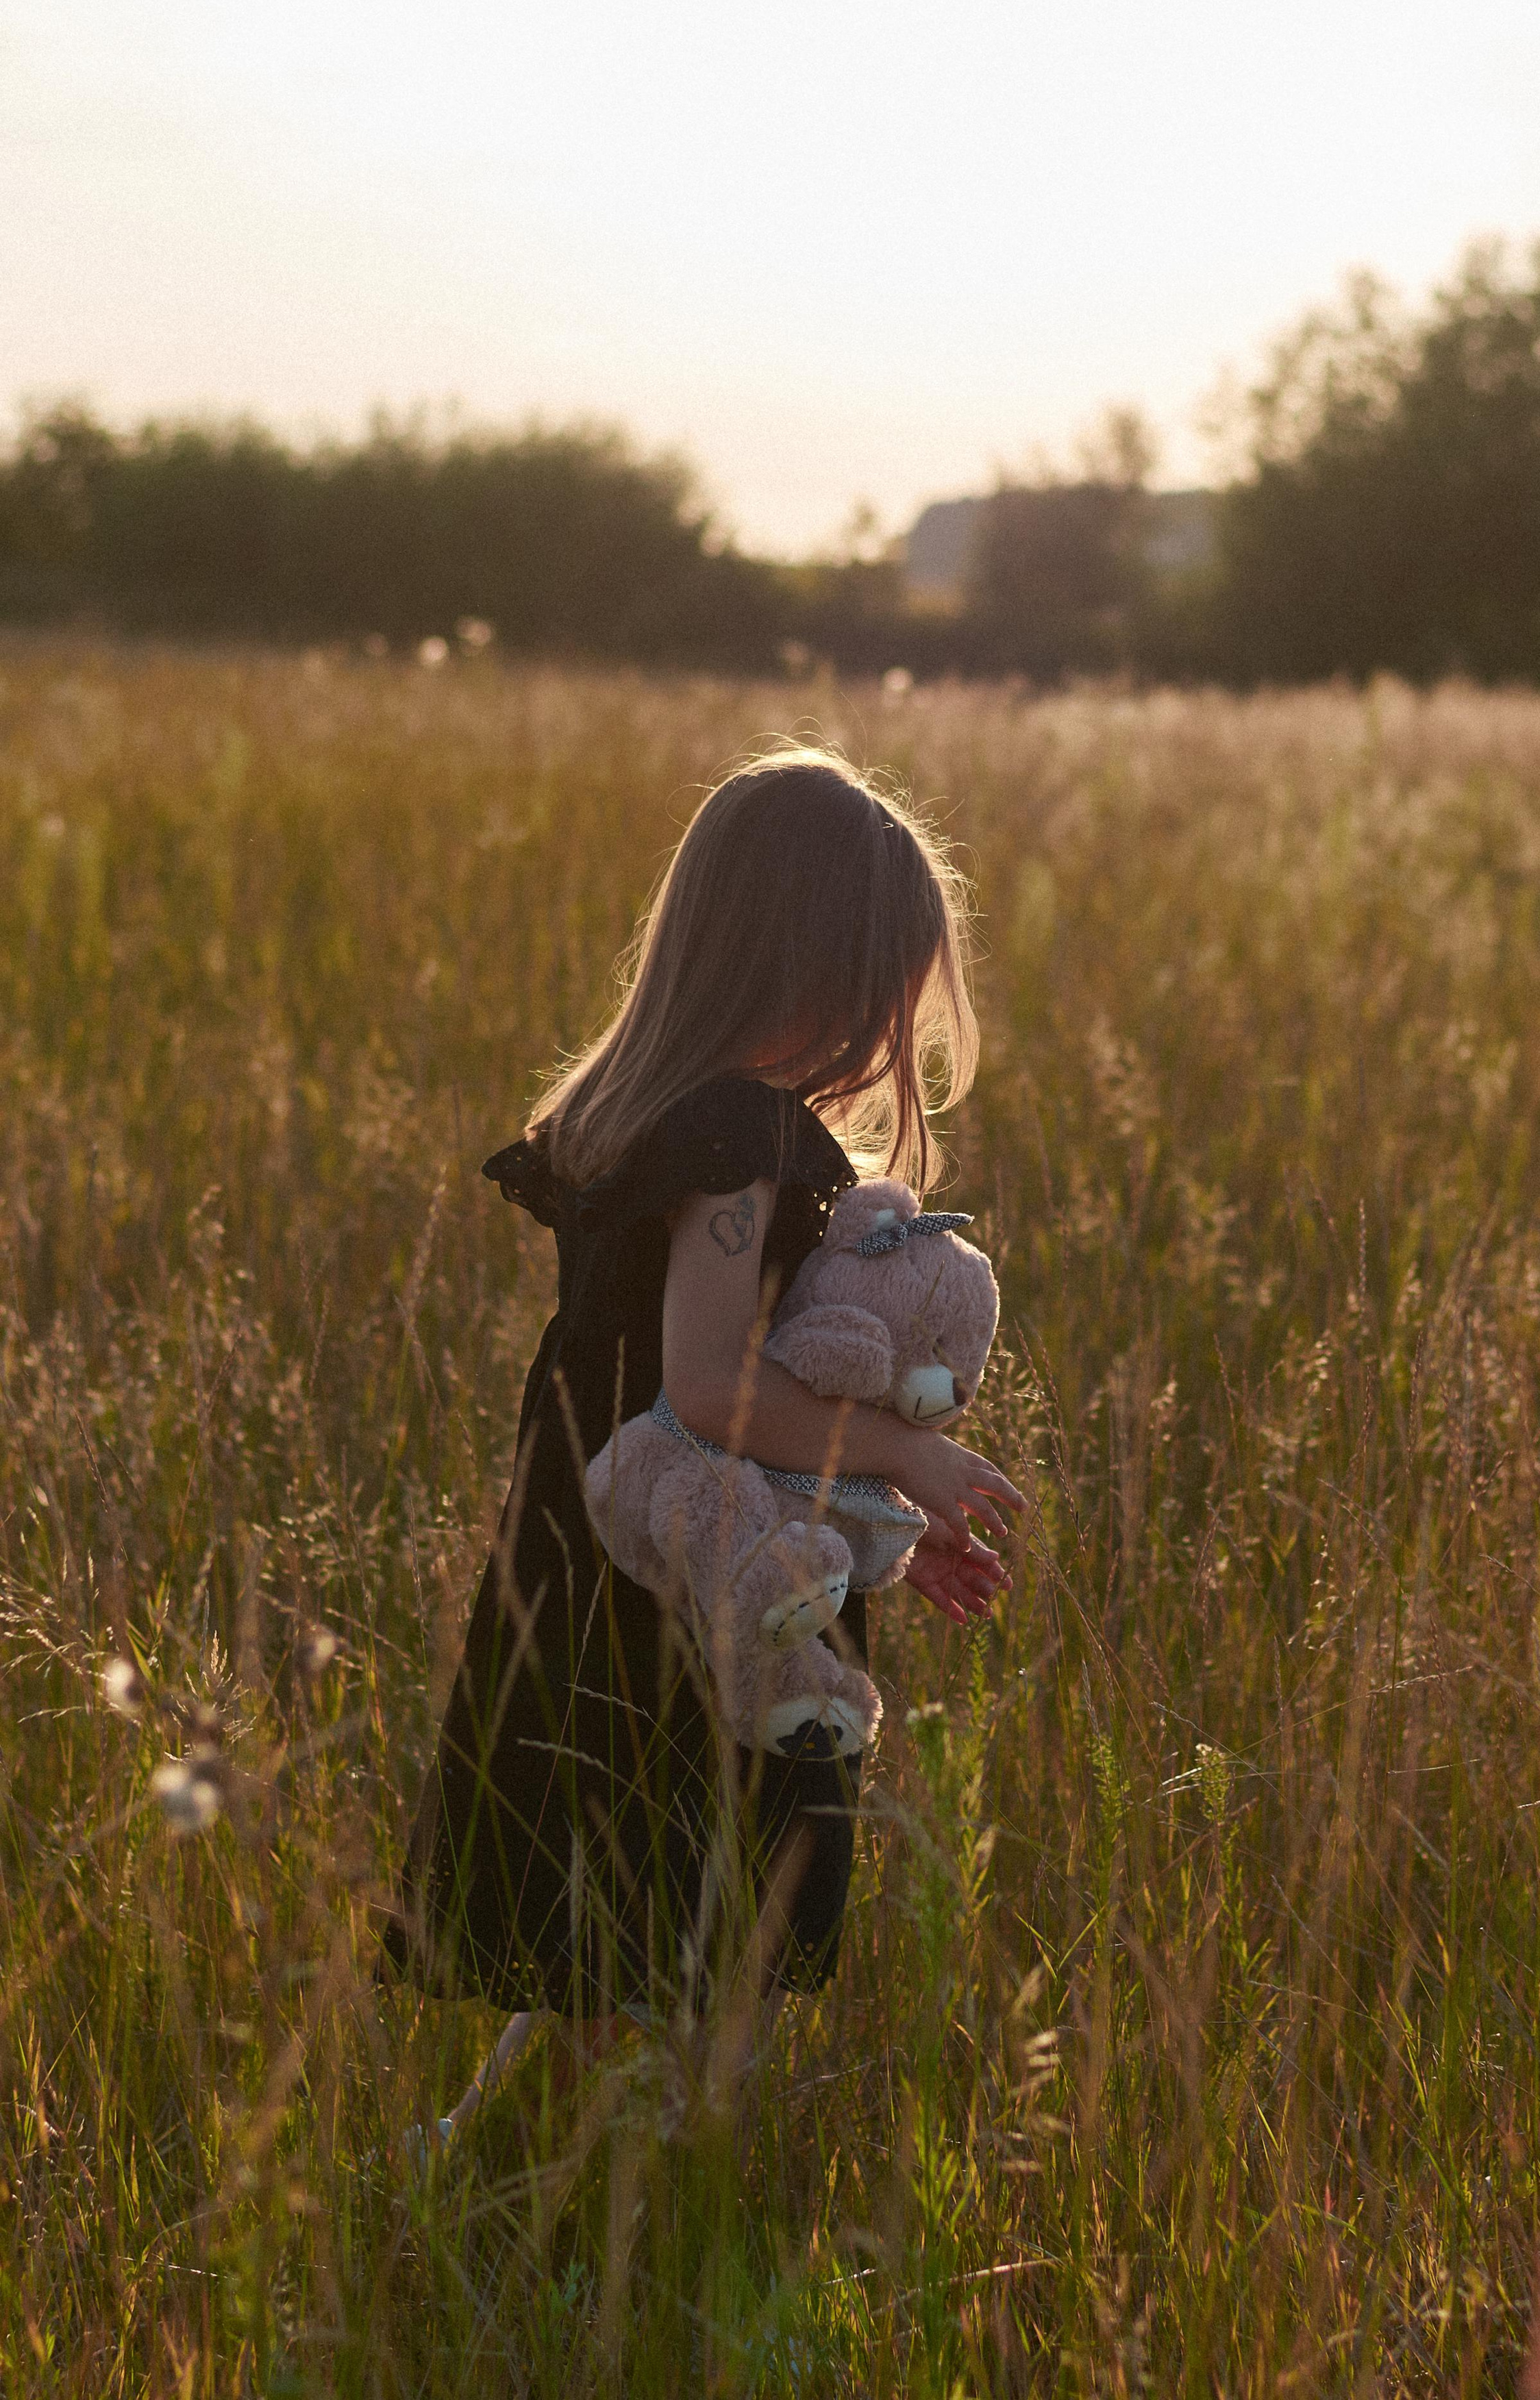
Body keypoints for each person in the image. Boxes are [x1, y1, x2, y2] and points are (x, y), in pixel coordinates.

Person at [382, 745, 1023, 2123]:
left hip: (616, 1566)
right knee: (686, 1936)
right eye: (878, 992)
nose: (883, 1034)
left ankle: (464, 2184)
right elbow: (716, 1387)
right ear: (804, 968)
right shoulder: (735, 1135)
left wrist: (889, 1543)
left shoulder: (654, 1121)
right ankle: (568, 2221)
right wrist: (908, 1452)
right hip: (675, 1605)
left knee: (617, 1953)